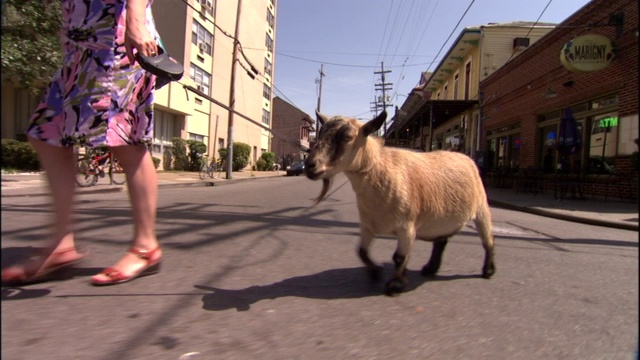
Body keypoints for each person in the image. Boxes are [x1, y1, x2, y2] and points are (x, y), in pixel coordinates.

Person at [1, 0, 162, 286]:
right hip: (80, 46)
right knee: (46, 134)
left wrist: (136, 20)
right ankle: (61, 245)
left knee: (125, 139)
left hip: (115, 40)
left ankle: (145, 246)